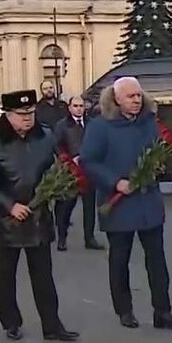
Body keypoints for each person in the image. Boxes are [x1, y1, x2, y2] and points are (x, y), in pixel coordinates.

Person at [80, 76, 172, 331]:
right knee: (120, 259)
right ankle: (124, 310)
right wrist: (115, 182)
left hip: (148, 200)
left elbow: (160, 150)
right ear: (116, 99)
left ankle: (163, 311)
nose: (137, 100)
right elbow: (88, 161)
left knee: (157, 260)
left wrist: (162, 166)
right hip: (119, 202)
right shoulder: (100, 126)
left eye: (139, 95)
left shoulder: (149, 122)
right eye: (131, 96)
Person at [0, 90, 79, 342]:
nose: (27, 119)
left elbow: (55, 167)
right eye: (21, 114)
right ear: (8, 115)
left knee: (43, 275)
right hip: (6, 221)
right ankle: (11, 321)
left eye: (31, 113)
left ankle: (52, 325)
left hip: (38, 216)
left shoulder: (45, 136)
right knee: (6, 274)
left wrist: (55, 188)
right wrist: (8, 205)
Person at [53, 94, 103, 251]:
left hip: (89, 169)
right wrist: (68, 159)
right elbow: (56, 146)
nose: (79, 109)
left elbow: (100, 143)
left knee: (89, 207)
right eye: (75, 106)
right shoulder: (62, 125)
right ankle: (62, 238)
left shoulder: (93, 124)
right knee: (66, 206)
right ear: (69, 108)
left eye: (81, 106)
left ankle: (89, 238)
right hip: (70, 171)